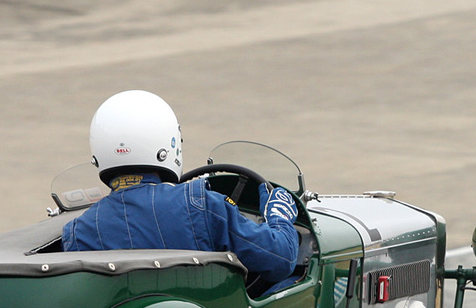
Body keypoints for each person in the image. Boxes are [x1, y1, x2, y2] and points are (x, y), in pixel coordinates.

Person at [61, 90, 301, 291]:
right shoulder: (202, 205)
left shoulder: (78, 233)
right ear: (168, 144)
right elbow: (281, 259)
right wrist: (279, 217)